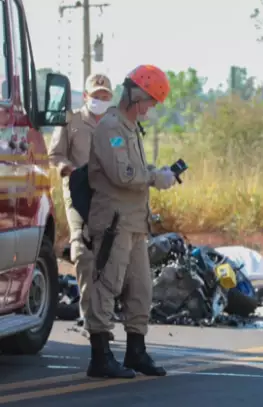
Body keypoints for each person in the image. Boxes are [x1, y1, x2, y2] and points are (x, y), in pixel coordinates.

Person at [85, 65, 177, 379]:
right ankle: (100, 356)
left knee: (140, 289)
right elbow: (122, 174)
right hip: (114, 222)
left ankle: (135, 352)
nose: (151, 108)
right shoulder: (110, 128)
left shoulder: (130, 127)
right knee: (107, 285)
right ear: (136, 94)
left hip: (135, 222)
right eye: (150, 101)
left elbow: (134, 168)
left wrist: (156, 171)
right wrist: (154, 177)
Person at [48, 73, 114, 337]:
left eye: (105, 96)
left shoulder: (114, 125)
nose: (100, 100)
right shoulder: (70, 120)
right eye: (95, 95)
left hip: (107, 197)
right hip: (78, 194)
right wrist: (67, 168)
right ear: (86, 96)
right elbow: (55, 154)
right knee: (84, 254)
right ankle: (89, 319)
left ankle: (102, 318)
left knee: (108, 258)